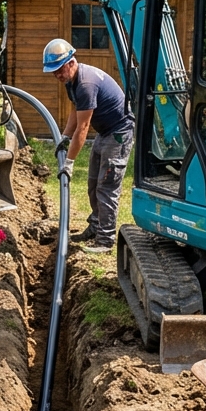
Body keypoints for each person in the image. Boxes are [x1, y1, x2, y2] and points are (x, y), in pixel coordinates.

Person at [42, 38, 134, 253]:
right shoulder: (71, 82)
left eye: (59, 69)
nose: (57, 75)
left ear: (71, 62)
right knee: (93, 182)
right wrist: (64, 136)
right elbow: (76, 110)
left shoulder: (86, 83)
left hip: (119, 133)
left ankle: (105, 239)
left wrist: (70, 163)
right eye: (53, 71)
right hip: (105, 132)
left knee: (107, 186)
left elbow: (83, 128)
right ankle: (95, 226)